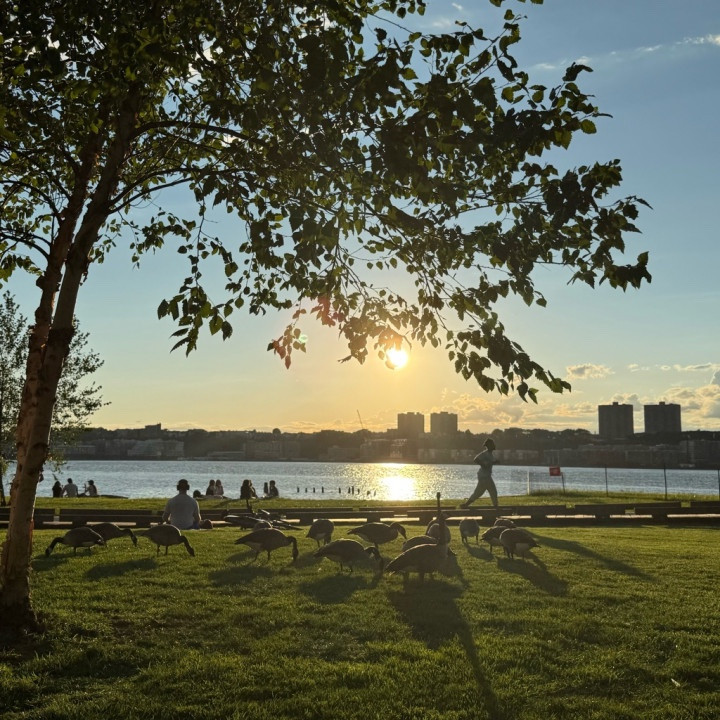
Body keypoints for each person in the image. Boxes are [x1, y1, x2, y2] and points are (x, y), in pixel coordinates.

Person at [460, 438, 499, 509]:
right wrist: (483, 464)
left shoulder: (490, 454)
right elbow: (476, 459)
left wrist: (495, 462)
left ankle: (465, 505)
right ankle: (496, 507)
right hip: (484, 476)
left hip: (485, 476)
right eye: (492, 444)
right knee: (492, 491)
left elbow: (490, 462)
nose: (494, 445)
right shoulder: (485, 453)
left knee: (478, 493)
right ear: (489, 445)